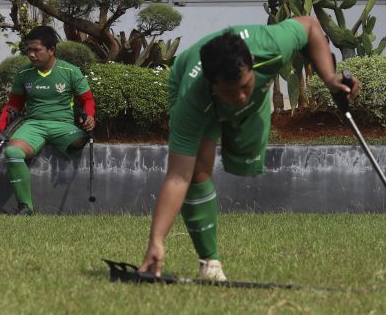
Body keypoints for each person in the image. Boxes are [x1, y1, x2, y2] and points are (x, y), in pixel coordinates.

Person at [138, 16, 360, 280]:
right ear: (212, 85)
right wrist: (157, 240)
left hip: (248, 104)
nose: (240, 97)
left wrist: (330, 78)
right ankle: (210, 264)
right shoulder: (192, 99)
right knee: (197, 170)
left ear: (252, 65)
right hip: (197, 93)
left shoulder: (271, 45)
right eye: (230, 92)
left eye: (245, 86)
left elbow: (311, 26)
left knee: (245, 157)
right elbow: (177, 176)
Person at [0, 25, 96, 215]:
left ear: (51, 50)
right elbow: (14, 105)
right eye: (29, 50)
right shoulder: (23, 74)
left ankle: (73, 141)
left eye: (37, 50)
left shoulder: (70, 71)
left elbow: (86, 99)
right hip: (33, 125)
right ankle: (25, 207)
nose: (31, 54)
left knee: (79, 140)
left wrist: (89, 117)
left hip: (63, 125)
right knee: (12, 151)